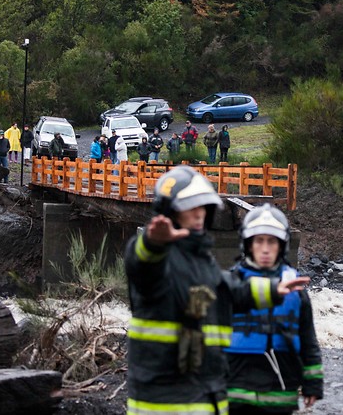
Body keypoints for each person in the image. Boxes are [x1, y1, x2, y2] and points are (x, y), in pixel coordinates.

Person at [124, 165, 310, 415]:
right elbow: (140, 264)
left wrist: (275, 288)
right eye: (191, 207)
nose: (199, 213)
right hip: (166, 401)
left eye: (203, 206)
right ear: (170, 211)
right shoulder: (158, 258)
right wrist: (152, 242)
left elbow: (228, 290)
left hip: (205, 395)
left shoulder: (201, 260)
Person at [225, 203, 323, 415]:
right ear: (248, 244)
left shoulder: (296, 290)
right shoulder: (231, 283)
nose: (266, 248)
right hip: (235, 384)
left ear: (282, 245)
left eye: (272, 241)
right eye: (259, 241)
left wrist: (312, 383)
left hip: (280, 385)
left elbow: (308, 339)